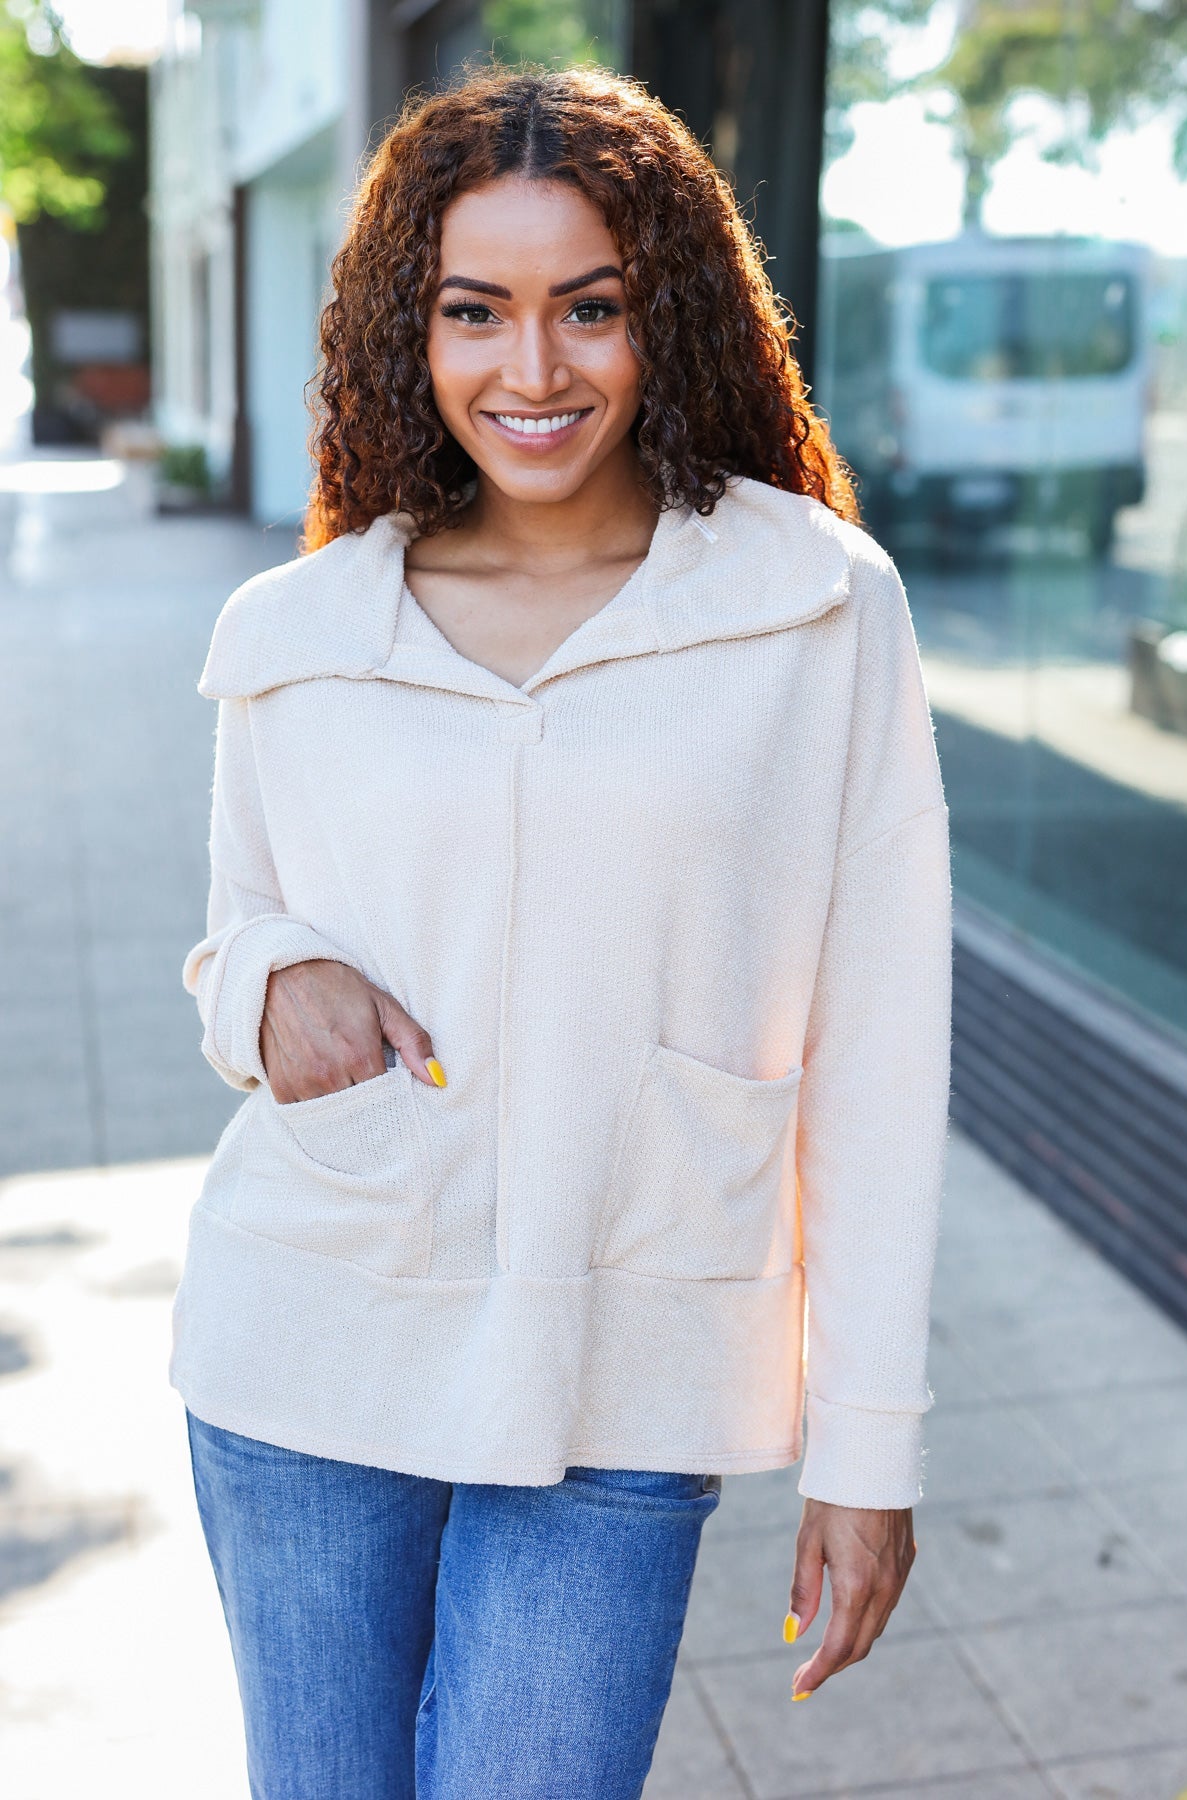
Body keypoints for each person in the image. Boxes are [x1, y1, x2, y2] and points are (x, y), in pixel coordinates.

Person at [175, 62, 952, 1800]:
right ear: (412, 327)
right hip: (306, 1346)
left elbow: (887, 1052)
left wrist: (869, 1451)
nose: (534, 373)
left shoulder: (813, 604)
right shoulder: (298, 628)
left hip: (626, 1364)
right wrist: (274, 981)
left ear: (662, 313)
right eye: (478, 312)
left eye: (587, 308)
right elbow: (233, 941)